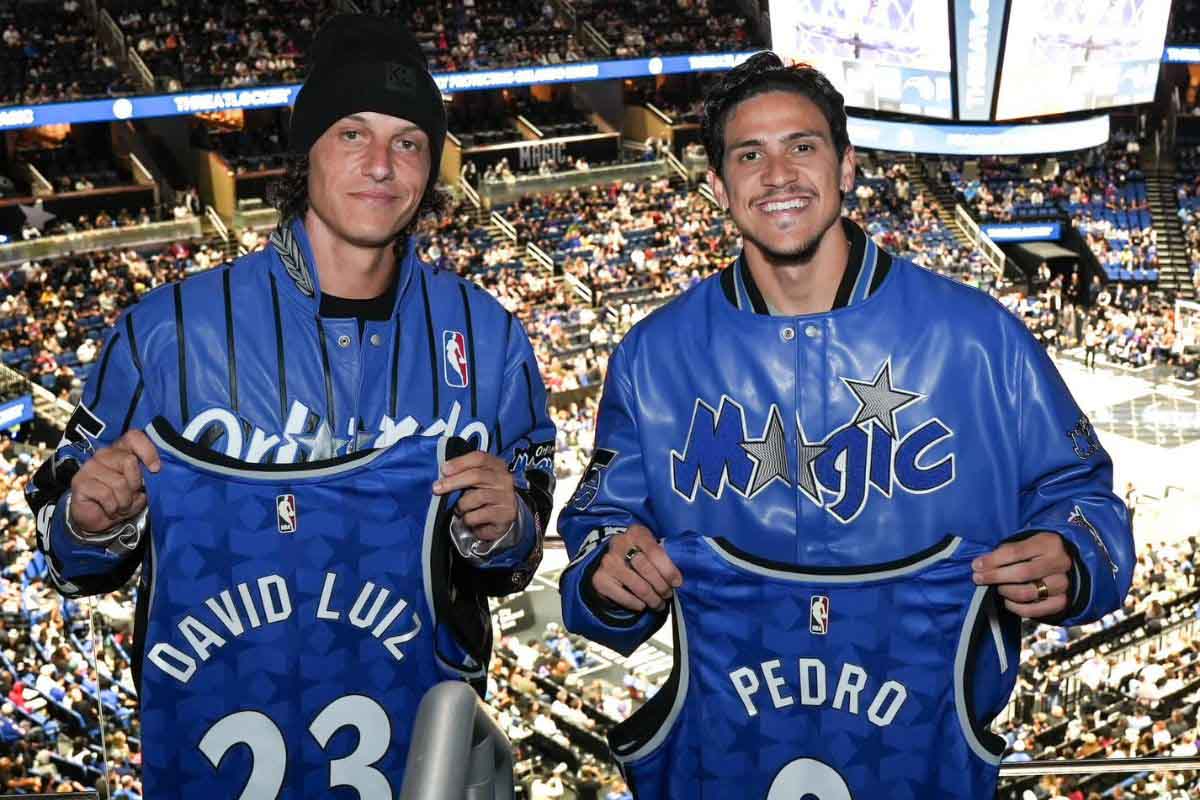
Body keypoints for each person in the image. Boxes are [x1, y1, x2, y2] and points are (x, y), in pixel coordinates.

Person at [557, 52, 1133, 798]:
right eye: (749, 155)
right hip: (728, 759)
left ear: (848, 165)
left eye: (803, 146)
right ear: (717, 184)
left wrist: (1073, 556)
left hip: (929, 760)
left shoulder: (980, 339)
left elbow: (1087, 501)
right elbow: (599, 538)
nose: (779, 174)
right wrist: (609, 573)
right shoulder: (653, 356)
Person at [25, 13, 554, 795]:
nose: (382, 165)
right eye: (351, 134)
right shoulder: (164, 334)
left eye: (408, 142)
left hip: (421, 760)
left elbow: (521, 548)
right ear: (304, 152)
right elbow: (65, 550)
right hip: (218, 747)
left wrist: (504, 530)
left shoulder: (493, 338)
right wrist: (91, 520)